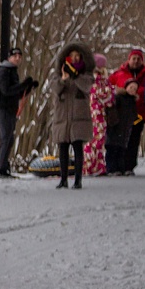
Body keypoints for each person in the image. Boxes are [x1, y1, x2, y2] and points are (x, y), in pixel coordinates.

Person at [52, 43, 95, 189]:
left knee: (78, 148)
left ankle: (78, 179)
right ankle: (63, 179)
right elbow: (55, 89)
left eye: (77, 56)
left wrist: (75, 76)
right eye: (72, 56)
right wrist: (64, 79)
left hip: (79, 117)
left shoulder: (86, 74)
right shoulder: (59, 73)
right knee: (62, 149)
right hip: (62, 117)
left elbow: (87, 87)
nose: (75, 59)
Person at [0, 47, 38, 178]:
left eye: (19, 56)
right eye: (14, 56)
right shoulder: (3, 71)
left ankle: (4, 167)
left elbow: (16, 94)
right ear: (9, 57)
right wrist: (23, 85)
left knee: (9, 138)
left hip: (10, 108)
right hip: (2, 108)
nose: (17, 58)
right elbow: (6, 91)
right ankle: (0, 169)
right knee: (5, 137)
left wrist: (28, 88)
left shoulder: (12, 71)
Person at [107, 48, 145, 175]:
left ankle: (129, 166)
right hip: (119, 114)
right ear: (128, 60)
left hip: (138, 114)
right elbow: (107, 87)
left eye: (138, 59)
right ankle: (115, 166)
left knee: (133, 139)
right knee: (116, 140)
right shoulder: (119, 73)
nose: (135, 61)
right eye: (133, 59)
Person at [83, 53, 113, 176]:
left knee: (96, 141)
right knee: (96, 141)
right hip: (97, 115)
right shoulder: (98, 81)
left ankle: (96, 166)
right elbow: (106, 97)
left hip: (93, 114)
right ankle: (91, 166)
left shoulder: (90, 79)